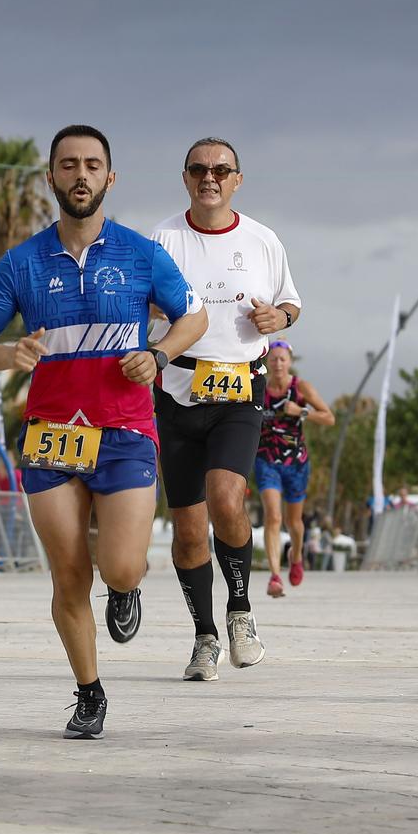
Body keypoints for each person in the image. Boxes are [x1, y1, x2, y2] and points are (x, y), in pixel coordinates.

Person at [0, 124, 206, 738]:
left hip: (125, 430)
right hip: (51, 434)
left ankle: (125, 592)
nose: (81, 175)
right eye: (68, 165)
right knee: (69, 574)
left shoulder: (141, 253)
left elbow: (193, 316)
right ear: (52, 178)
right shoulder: (23, 262)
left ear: (110, 178)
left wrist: (160, 355)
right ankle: (89, 692)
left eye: (93, 165)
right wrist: (6, 354)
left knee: (120, 566)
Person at [150, 136, 299, 680]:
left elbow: (291, 302)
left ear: (238, 179)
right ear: (185, 177)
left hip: (240, 391)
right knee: (188, 530)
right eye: (198, 169)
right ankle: (204, 637)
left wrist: (278, 320)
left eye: (221, 169)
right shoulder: (162, 238)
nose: (209, 177)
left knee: (226, 497)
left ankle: (241, 610)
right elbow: (136, 306)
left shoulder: (263, 240)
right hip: (177, 391)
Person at [256, 340, 333, 600]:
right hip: (266, 460)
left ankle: (296, 555)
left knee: (294, 523)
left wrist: (301, 412)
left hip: (296, 463)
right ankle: (275, 576)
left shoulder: (300, 388)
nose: (278, 363)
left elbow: (329, 417)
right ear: (267, 361)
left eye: (282, 359)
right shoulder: (260, 389)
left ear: (290, 362)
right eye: (273, 358)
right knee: (273, 517)